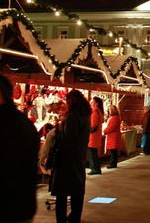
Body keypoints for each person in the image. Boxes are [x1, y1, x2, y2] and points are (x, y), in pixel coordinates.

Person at [0, 75, 40, 223]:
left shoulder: (8, 125)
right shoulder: (14, 121)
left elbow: (0, 170)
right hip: (18, 207)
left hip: (7, 210)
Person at [50, 90, 91, 223]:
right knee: (77, 191)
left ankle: (61, 219)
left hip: (66, 159)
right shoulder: (85, 115)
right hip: (79, 157)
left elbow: (69, 138)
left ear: (72, 101)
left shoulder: (73, 116)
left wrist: (59, 129)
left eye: (67, 101)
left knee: (62, 193)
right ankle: (75, 217)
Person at [88, 96, 103, 175]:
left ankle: (95, 169)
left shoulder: (95, 111)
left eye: (92, 101)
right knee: (94, 153)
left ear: (96, 103)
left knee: (92, 153)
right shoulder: (99, 111)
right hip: (96, 136)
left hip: (92, 136)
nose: (91, 102)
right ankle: (96, 168)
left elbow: (93, 125)